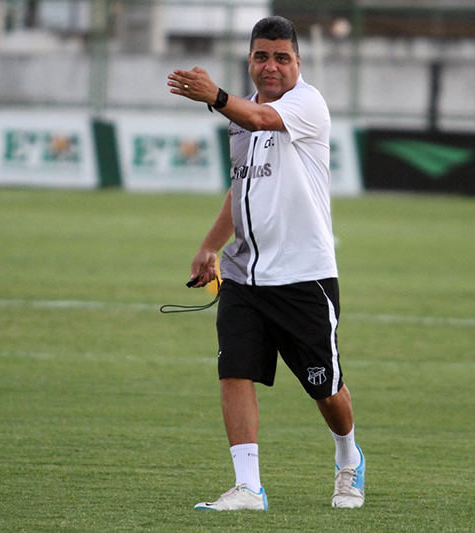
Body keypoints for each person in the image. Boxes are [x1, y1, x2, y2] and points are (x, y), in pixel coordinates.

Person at [168, 15, 364, 511]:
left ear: (298, 62)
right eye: (261, 56)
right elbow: (242, 185)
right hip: (244, 273)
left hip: (303, 274)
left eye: (281, 57)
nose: (271, 66)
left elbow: (259, 119)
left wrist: (215, 96)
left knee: (325, 388)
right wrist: (210, 246)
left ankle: (348, 457)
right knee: (234, 371)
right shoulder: (240, 115)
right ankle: (248, 487)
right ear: (250, 60)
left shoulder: (307, 103)